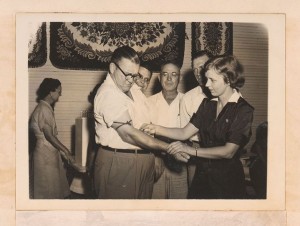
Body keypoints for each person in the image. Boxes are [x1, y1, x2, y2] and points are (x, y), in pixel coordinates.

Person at [141, 55, 254, 199]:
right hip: (202, 177)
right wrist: (155, 128)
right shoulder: (207, 105)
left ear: (228, 79)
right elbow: (184, 132)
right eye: (207, 79)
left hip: (226, 180)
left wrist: (189, 149)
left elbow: (228, 152)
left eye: (212, 80)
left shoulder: (243, 110)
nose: (206, 84)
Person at [93, 46, 188, 199]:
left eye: (134, 75)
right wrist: (168, 148)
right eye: (127, 75)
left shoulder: (132, 90)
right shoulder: (108, 94)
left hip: (142, 161)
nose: (131, 81)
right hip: (121, 161)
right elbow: (129, 135)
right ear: (112, 68)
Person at [147, 61, 188, 199]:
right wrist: (156, 157)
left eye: (174, 74)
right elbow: (145, 135)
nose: (169, 79)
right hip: (156, 163)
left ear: (179, 78)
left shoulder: (188, 101)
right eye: (165, 74)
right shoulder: (149, 102)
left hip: (180, 165)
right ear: (159, 79)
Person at [29, 78, 73, 199]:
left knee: (51, 188)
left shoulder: (45, 107)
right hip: (45, 156)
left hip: (47, 154)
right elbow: (49, 135)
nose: (60, 94)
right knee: (47, 190)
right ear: (51, 92)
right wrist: (66, 150)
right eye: (59, 91)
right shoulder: (44, 109)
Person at [180, 51, 210, 187]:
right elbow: (183, 134)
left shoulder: (229, 93)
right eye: (195, 69)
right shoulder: (187, 98)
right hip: (195, 151)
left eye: (202, 67)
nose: (198, 73)